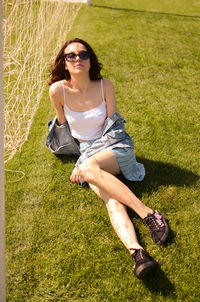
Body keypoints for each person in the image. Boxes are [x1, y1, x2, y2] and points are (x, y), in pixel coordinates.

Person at [48, 38, 169, 279]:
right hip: (90, 155)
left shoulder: (105, 86)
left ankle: (148, 214)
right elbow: (63, 129)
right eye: (71, 55)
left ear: (90, 59)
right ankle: (138, 254)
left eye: (83, 54)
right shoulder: (57, 91)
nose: (78, 59)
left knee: (89, 167)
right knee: (112, 201)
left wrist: (84, 163)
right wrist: (83, 159)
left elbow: (115, 130)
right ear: (64, 62)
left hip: (116, 147)